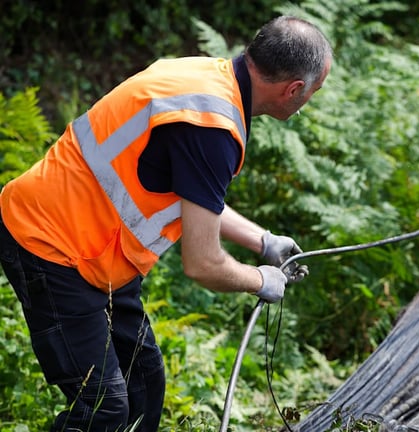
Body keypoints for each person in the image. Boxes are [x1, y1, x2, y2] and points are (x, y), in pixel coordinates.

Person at [0, 15, 331, 431]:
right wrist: (259, 279)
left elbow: (193, 192)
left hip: (94, 245)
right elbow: (202, 264)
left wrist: (262, 240)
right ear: (294, 89)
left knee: (144, 386)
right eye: (314, 91)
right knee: (103, 410)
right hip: (50, 243)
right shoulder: (212, 129)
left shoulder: (209, 78)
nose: (309, 100)